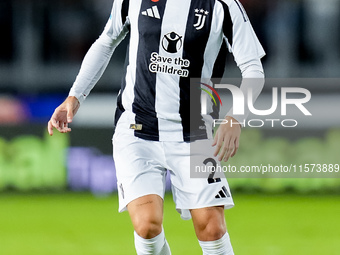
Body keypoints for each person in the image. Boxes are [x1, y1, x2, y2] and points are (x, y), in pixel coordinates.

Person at [48, 0, 265, 254]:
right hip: (137, 128)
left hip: (194, 132)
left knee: (211, 227)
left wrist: (235, 118)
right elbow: (106, 41)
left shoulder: (223, 5)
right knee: (147, 226)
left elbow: (253, 69)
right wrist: (75, 97)